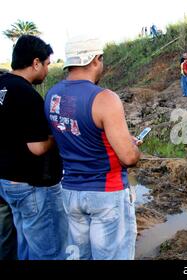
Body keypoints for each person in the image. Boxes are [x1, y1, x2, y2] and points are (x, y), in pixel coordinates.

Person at [44, 36, 141, 260]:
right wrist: (133, 147)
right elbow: (128, 158)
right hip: (105, 192)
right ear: (96, 59)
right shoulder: (104, 98)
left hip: (70, 191)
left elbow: (69, 134)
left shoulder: (52, 95)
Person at [0, 35, 67, 260]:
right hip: (32, 187)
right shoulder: (25, 94)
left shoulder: (2, 85)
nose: (47, 70)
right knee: (49, 251)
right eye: (47, 64)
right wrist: (58, 134)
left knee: (26, 245)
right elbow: (38, 147)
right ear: (36, 62)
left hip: (8, 181)